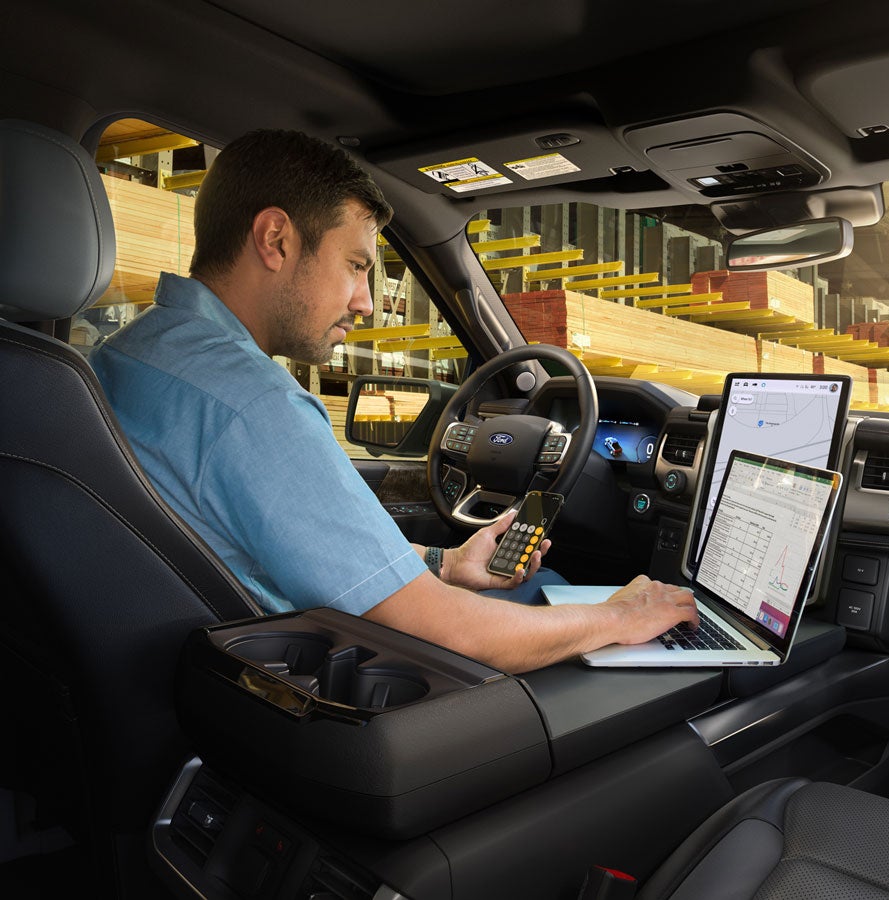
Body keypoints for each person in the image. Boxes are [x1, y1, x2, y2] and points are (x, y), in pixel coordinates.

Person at [90, 129, 697, 674]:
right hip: (288, 698)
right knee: (565, 595)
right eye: (356, 265)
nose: (366, 303)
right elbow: (459, 634)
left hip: (184, 673)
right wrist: (620, 619)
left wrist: (444, 563)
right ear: (275, 239)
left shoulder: (129, 355)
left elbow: (293, 541)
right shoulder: (255, 408)